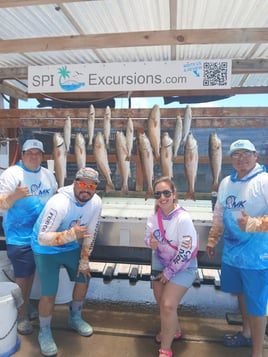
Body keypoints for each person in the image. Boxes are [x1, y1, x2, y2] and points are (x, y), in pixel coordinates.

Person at [31, 167, 102, 357]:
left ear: (95, 188)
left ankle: (75, 317)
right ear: (75, 183)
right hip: (45, 248)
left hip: (69, 245)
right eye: (82, 184)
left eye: (91, 186)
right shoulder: (59, 202)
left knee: (83, 278)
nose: (86, 189)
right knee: (49, 292)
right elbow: (42, 238)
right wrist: (71, 234)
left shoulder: (95, 202)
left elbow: (91, 232)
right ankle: (44, 331)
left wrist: (85, 259)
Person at [206, 139, 268, 357]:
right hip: (233, 254)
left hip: (258, 257)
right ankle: (246, 333)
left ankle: (258, 352)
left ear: (255, 155)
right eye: (236, 155)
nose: (241, 158)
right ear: (230, 159)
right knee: (241, 294)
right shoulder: (226, 182)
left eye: (245, 153)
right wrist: (213, 239)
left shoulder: (264, 181)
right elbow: (219, 214)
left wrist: (254, 224)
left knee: (258, 303)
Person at [0, 139, 58, 335]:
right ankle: (21, 315)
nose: (34, 156)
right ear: (22, 154)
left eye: (38, 153)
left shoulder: (48, 174)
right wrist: (14, 195)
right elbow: (2, 205)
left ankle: (24, 305)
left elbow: (54, 198)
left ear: (42, 156)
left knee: (31, 273)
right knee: (22, 278)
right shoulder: (11, 174)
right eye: (30, 153)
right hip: (19, 236)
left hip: (42, 236)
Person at [144, 176, 198, 357]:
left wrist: (169, 272)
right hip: (160, 261)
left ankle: (165, 349)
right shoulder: (153, 217)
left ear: (174, 195)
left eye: (166, 193)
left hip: (183, 265)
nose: (162, 197)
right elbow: (148, 237)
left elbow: (186, 250)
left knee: (167, 305)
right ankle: (174, 330)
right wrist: (149, 242)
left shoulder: (183, 218)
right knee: (161, 302)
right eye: (158, 194)